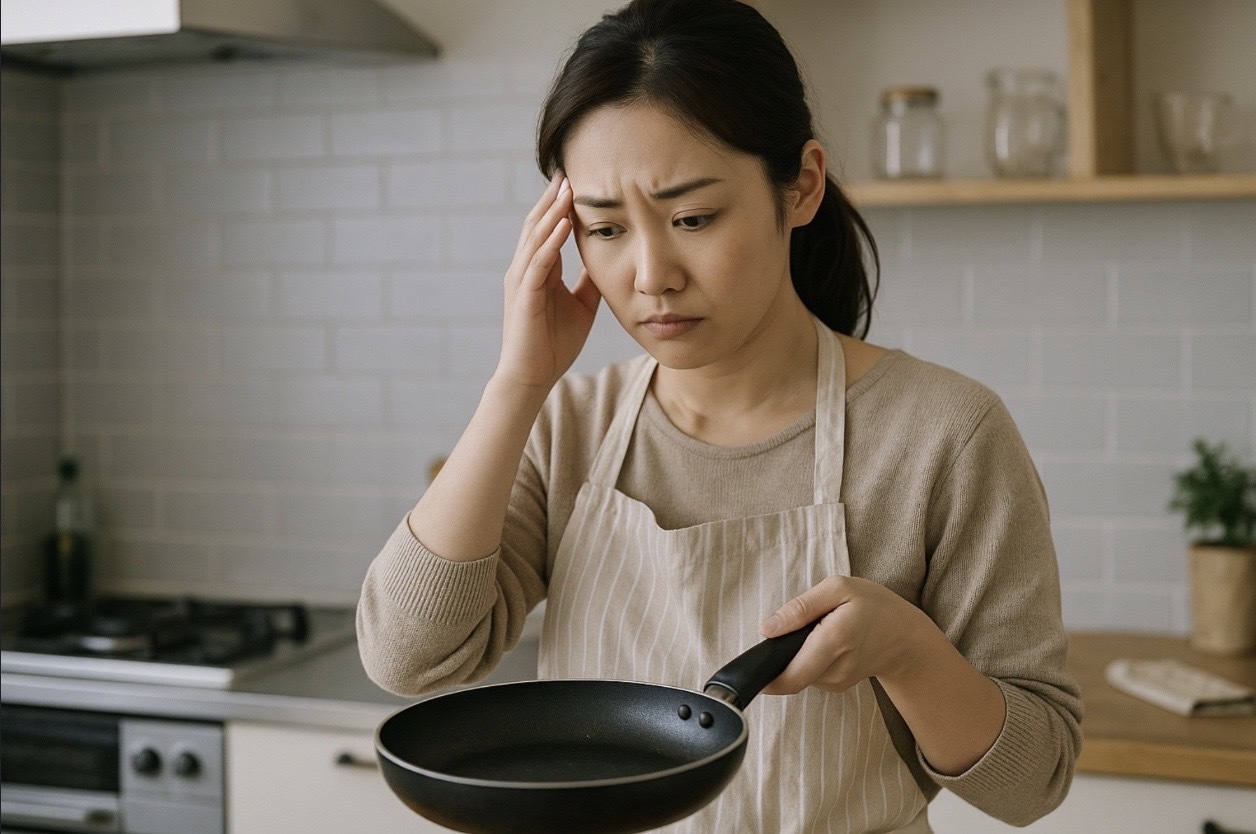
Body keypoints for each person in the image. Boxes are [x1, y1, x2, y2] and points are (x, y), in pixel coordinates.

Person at [357, 0, 1082, 830]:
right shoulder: (569, 425)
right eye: (604, 228)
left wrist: (907, 651)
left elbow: (1034, 782)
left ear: (801, 185)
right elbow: (407, 660)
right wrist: (518, 382)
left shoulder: (944, 434)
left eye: (693, 218)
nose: (651, 274)